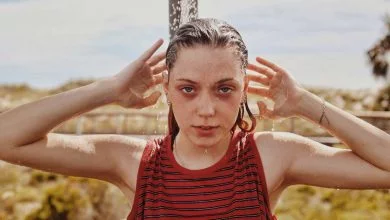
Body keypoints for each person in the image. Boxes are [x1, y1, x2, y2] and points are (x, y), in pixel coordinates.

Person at [0, 18, 389, 220]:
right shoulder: (136, 164)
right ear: (166, 88)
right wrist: (108, 91)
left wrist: (305, 103)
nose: (206, 110)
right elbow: (6, 138)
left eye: (224, 89)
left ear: (243, 90)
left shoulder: (269, 158)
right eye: (188, 89)